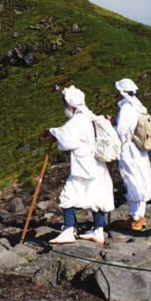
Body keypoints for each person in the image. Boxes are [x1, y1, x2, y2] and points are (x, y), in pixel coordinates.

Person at [47, 85, 115, 245]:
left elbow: (66, 140)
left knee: (67, 196)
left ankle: (69, 230)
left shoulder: (77, 121)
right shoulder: (91, 116)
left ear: (70, 105)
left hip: (84, 166)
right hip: (97, 163)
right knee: (97, 196)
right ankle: (98, 230)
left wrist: (51, 134)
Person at [114, 78, 151, 230]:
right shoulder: (139, 107)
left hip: (129, 148)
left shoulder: (127, 108)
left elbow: (122, 131)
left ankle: (135, 217)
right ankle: (139, 214)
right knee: (141, 178)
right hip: (139, 148)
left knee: (132, 179)